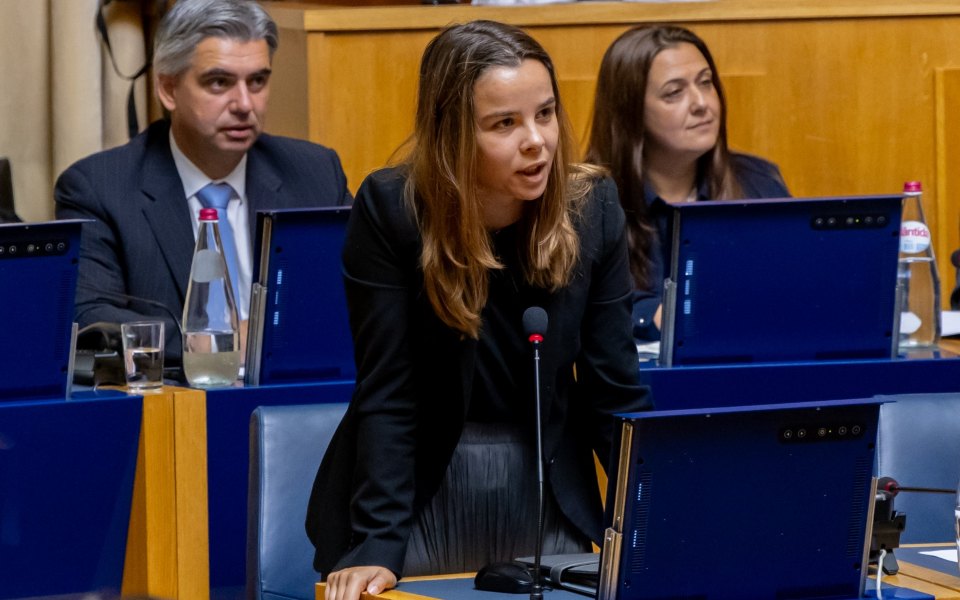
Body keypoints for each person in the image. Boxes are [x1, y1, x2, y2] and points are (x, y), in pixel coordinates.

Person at [306, 19, 650, 600]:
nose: (536, 140)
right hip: (424, 484)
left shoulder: (592, 209)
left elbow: (614, 389)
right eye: (504, 124)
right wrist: (378, 542)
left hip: (545, 481)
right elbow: (390, 391)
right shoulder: (394, 210)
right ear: (453, 136)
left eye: (545, 114)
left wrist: (654, 519)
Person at [55, 0, 351, 365]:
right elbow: (90, 319)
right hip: (177, 405)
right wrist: (222, 343)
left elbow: (360, 297)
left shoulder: (315, 173)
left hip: (297, 400)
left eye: (257, 80)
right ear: (167, 88)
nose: (245, 103)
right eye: (219, 82)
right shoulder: (100, 188)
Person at [585, 25, 790, 343]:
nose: (701, 103)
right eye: (674, 92)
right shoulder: (590, 202)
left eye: (706, 83)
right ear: (630, 113)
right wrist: (650, 315)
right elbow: (578, 314)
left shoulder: (759, 182)